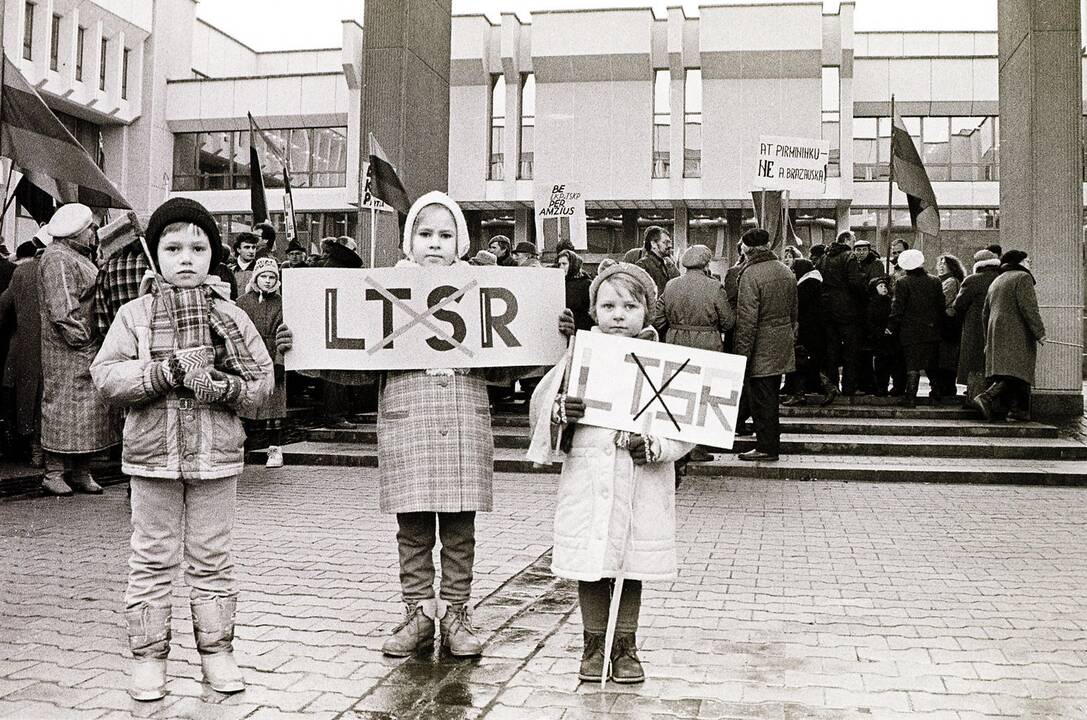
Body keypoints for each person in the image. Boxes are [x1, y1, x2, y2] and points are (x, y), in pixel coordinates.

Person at [90, 197, 273, 701]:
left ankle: (218, 652)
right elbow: (105, 376)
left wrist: (224, 386)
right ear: (155, 253)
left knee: (212, 557)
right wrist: (164, 372)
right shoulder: (135, 314)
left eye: (199, 246)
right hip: (153, 456)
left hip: (216, 457)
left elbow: (262, 382)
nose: (186, 257)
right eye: (172, 247)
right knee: (151, 557)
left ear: (214, 254)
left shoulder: (232, 316)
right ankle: (149, 658)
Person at [527, 262, 693, 684]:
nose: (618, 314)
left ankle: (625, 647)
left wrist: (657, 446)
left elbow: (686, 424)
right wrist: (563, 411)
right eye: (608, 305)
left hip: (641, 481)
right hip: (590, 477)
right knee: (591, 564)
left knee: (631, 564)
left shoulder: (666, 363)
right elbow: (542, 407)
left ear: (647, 312)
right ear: (594, 311)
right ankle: (593, 645)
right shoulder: (577, 356)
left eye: (630, 306)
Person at [38, 204, 120, 496]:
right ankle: (54, 472)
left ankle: (81, 471)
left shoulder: (74, 255)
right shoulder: (57, 258)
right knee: (62, 409)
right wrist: (83, 339)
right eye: (91, 229)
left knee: (87, 414)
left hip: (85, 348)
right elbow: (62, 309)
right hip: (68, 349)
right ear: (77, 230)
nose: (94, 234)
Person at [653, 244, 733, 463]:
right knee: (703, 398)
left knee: (680, 396)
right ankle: (697, 448)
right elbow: (728, 322)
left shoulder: (671, 285)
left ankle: (678, 446)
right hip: (707, 345)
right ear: (706, 264)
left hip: (676, 343)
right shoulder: (714, 287)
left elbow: (657, 319)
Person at [733, 229, 797, 462]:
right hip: (780, 342)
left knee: (763, 399)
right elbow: (794, 312)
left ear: (747, 248)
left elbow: (747, 320)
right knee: (769, 394)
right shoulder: (785, 270)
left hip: (761, 345)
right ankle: (768, 444)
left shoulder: (751, 274)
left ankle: (766, 447)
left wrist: (742, 355)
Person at [972, 250, 1046, 422]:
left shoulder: (997, 280)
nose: (1030, 264)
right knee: (1017, 372)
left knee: (1010, 371)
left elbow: (985, 313)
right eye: (1027, 261)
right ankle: (987, 397)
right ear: (1018, 262)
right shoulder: (1022, 278)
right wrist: (1039, 332)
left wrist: (987, 340)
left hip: (997, 333)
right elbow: (1029, 309)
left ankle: (1017, 411)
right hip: (1016, 333)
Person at [236, 257, 287, 468]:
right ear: (256, 278)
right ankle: (240, 449)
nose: (267, 281)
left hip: (273, 351)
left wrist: (280, 361)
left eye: (272, 277)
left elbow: (285, 332)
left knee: (274, 404)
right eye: (264, 276)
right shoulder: (242, 302)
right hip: (248, 355)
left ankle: (274, 449)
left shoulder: (282, 302)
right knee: (245, 403)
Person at [0, 238, 46, 467]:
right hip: (54, 344)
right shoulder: (64, 266)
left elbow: (4, 305)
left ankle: (29, 445)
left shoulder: (21, 272)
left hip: (22, 345)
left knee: (23, 395)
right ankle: (41, 448)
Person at [886, 248, 944, 408]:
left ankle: (910, 396)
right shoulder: (935, 281)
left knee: (912, 363)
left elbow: (898, 307)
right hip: (932, 329)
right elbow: (940, 305)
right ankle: (937, 393)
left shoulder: (902, 282)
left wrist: (891, 326)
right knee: (931, 362)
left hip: (910, 330)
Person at [816, 231, 864, 396]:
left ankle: (832, 385)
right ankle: (849, 386)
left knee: (831, 348)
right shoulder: (849, 256)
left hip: (826, 309)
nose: (854, 244)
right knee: (851, 348)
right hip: (846, 308)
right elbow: (855, 282)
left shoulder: (824, 257)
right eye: (853, 240)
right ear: (847, 240)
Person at [782, 258, 835, 406]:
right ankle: (823, 387)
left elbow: (799, 307)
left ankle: (805, 392)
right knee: (806, 362)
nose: (792, 272)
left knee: (801, 361)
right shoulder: (815, 282)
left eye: (794, 269)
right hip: (814, 329)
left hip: (807, 330)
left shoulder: (806, 284)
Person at [953, 249, 1001, 408]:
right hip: (995, 327)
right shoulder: (1000, 278)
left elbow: (958, 305)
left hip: (975, 327)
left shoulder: (972, 280)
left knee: (974, 361)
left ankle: (973, 398)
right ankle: (990, 398)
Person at [934, 254, 967, 399]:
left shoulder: (950, 282)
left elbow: (941, 301)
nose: (940, 266)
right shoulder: (951, 281)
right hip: (951, 325)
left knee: (945, 358)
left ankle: (945, 389)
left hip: (946, 325)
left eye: (944, 264)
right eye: (939, 263)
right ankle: (947, 388)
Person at [864, 276, 895, 396]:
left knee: (886, 363)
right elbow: (870, 321)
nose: (884, 288)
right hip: (878, 338)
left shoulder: (889, 302)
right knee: (880, 364)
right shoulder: (872, 304)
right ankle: (880, 387)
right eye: (881, 286)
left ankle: (883, 386)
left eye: (885, 286)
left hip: (887, 337)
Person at [635, 225, 679, 296]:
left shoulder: (666, 264)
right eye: (665, 242)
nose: (670, 246)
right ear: (653, 244)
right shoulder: (643, 265)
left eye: (670, 242)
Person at [557, 249, 594, 332]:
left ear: (573, 265)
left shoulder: (586, 284)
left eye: (564, 264)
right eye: (559, 264)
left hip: (579, 331)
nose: (561, 267)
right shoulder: (559, 282)